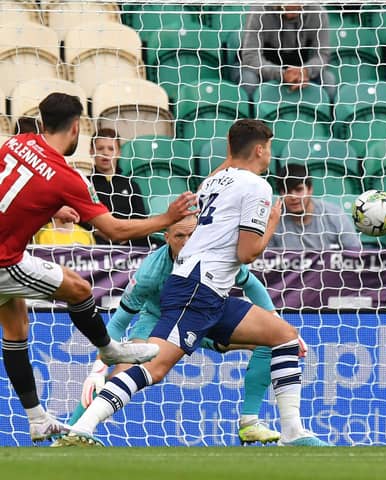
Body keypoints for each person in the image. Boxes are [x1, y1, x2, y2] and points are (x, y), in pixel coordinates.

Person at [55, 119, 329, 447]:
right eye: (268, 148)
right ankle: (82, 428)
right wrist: (271, 223)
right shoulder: (257, 187)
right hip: (197, 289)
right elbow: (247, 253)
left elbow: (239, 258)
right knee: (154, 370)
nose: (270, 156)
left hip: (209, 291)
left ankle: (291, 432)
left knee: (283, 337)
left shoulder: (212, 182)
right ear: (259, 149)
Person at [0, 92, 197, 443]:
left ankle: (36, 419)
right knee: (79, 289)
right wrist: (167, 218)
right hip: (3, 261)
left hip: (6, 253)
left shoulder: (17, 142)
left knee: (16, 326)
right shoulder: (66, 178)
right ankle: (109, 349)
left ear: (42, 121)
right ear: (77, 127)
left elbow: (16, 187)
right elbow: (115, 230)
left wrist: (51, 207)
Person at [63, 215, 285, 445]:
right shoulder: (150, 271)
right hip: (158, 322)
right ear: (167, 238)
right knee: (120, 374)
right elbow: (119, 322)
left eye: (192, 235)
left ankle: (250, 423)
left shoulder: (214, 257)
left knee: (270, 342)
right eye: (180, 236)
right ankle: (72, 433)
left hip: (204, 318)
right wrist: (97, 369)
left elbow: (250, 283)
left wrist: (275, 320)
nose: (187, 242)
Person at [240, 5, 336, 100]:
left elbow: (322, 55)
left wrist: (306, 71)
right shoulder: (259, 11)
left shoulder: (318, 13)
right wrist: (281, 74)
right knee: (249, 80)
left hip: (300, 69)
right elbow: (251, 57)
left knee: (328, 80)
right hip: (262, 70)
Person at [270, 163, 362, 251]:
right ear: (280, 194)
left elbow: (355, 254)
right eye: (287, 191)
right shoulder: (273, 220)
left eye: (299, 190)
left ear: (310, 189)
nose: (293, 197)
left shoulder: (335, 215)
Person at [88, 128, 149, 246]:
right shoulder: (85, 183)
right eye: (100, 148)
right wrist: (98, 232)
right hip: (96, 247)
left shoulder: (131, 185)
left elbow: (142, 221)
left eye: (111, 149)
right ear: (91, 151)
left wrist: (126, 235)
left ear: (119, 152)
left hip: (131, 246)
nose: (105, 153)